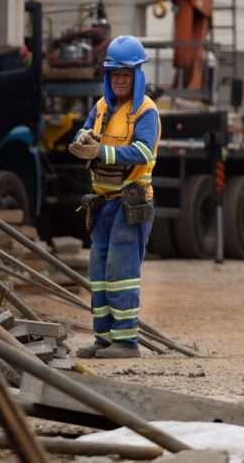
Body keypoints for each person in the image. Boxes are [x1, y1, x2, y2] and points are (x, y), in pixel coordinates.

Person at [68, 35, 161, 358]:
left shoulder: (146, 112)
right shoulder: (102, 107)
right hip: (103, 204)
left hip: (130, 202)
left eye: (126, 75)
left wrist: (101, 152)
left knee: (121, 274)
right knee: (100, 275)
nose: (120, 81)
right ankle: (104, 339)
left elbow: (143, 151)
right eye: (115, 75)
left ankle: (126, 343)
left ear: (137, 76)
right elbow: (85, 131)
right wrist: (82, 138)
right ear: (108, 76)